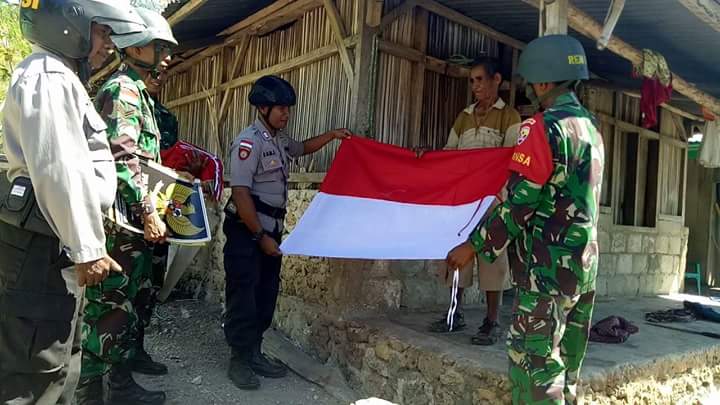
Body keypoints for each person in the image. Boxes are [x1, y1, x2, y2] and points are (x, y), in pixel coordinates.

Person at [0, 1, 145, 404]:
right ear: (70, 24)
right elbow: (59, 167)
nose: (107, 45)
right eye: (102, 32)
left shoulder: (59, 76)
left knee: (60, 362)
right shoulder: (48, 77)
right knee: (34, 372)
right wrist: (88, 248)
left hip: (50, 242)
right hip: (42, 245)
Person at [446, 34, 603, 405]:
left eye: (532, 83)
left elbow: (519, 203)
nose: (531, 90)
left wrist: (473, 246)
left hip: (545, 270)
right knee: (567, 366)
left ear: (545, 82)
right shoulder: (591, 128)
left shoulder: (542, 127)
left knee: (534, 366)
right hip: (584, 266)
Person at [224, 75, 350, 390]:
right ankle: (239, 360)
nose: (286, 114)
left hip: (271, 232)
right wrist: (260, 237)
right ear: (263, 107)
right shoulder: (248, 142)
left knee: (265, 295)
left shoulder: (278, 140)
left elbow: (303, 147)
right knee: (244, 295)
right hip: (247, 233)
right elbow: (240, 195)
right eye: (281, 108)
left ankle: (254, 351)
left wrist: (332, 136)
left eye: (288, 109)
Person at [77, 7, 177, 405]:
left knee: (124, 309)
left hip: (130, 225)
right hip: (121, 225)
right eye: (160, 47)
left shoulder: (138, 91)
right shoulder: (124, 90)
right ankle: (88, 395)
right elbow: (124, 157)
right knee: (108, 308)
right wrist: (149, 212)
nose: (167, 57)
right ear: (136, 47)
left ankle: (118, 388)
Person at [426, 57, 521, 346]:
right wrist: (427, 159)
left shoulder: (510, 117)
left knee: (491, 258)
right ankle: (455, 313)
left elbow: (511, 158)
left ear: (497, 80)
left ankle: (492, 322)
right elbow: (449, 153)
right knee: (457, 256)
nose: (475, 86)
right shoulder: (464, 117)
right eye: (472, 81)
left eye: (480, 79)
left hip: (493, 201)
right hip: (464, 202)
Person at [144, 69, 225, 303]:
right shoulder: (131, 142)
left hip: (162, 211)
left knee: (160, 256)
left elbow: (213, 162)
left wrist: (210, 190)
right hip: (135, 209)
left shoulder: (179, 146)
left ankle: (157, 297)